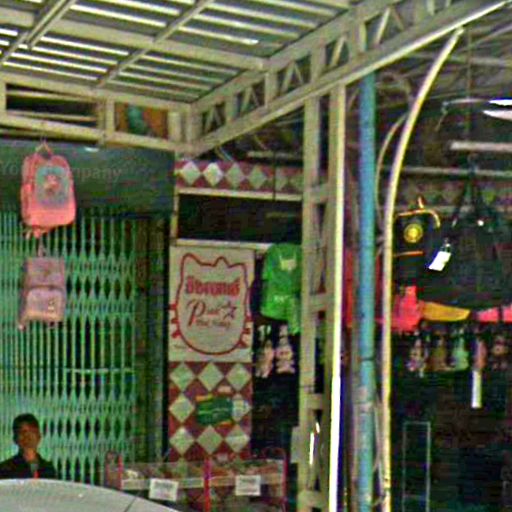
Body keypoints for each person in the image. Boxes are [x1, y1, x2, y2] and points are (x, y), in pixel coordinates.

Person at [0, 413, 57, 479]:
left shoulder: (48, 469)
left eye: (32, 431)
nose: (27, 437)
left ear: (39, 436)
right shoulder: (5, 469)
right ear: (15, 439)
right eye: (22, 432)